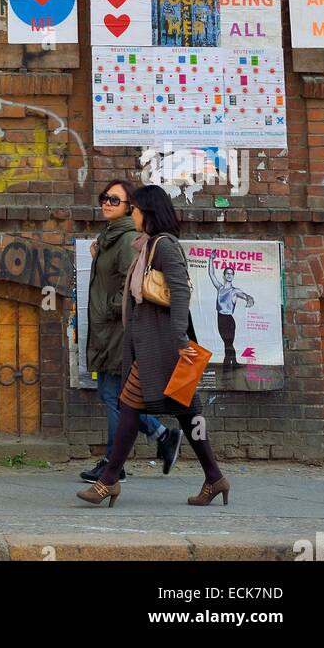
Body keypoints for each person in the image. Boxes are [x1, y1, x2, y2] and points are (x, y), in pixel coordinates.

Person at [77, 184, 229, 509]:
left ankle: (108, 481)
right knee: (184, 415)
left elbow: (181, 290)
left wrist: (179, 339)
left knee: (136, 408)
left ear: (147, 212)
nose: (132, 213)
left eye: (135, 208)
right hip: (150, 346)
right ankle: (214, 477)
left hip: (164, 347)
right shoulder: (146, 246)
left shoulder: (164, 246)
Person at [83, 180, 182, 483]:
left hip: (118, 329)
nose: (107, 203)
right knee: (110, 392)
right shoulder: (110, 238)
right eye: (104, 198)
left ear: (130, 208)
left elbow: (132, 284)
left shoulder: (126, 240)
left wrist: (109, 309)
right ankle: (163, 435)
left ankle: (115, 463)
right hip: (106, 329)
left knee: (115, 395)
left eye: (115, 199)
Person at [209, 257, 254, 370]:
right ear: (224, 275)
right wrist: (211, 259)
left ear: (233, 276)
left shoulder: (234, 291)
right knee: (227, 344)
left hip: (229, 321)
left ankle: (226, 366)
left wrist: (249, 299)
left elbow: (246, 295)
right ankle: (234, 364)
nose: (229, 275)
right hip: (220, 319)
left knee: (228, 344)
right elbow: (211, 274)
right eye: (227, 273)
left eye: (231, 273)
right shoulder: (219, 288)